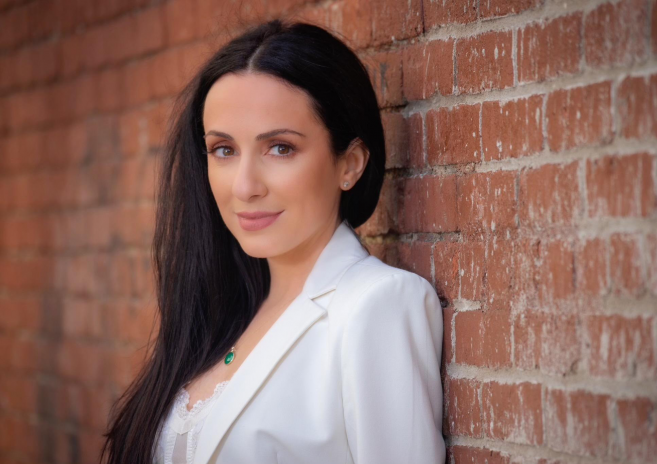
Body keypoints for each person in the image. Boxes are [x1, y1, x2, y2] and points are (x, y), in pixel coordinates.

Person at [101, 18, 445, 464]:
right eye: (224, 150)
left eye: (280, 148)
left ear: (350, 164)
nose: (245, 187)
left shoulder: (376, 305)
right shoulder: (224, 312)